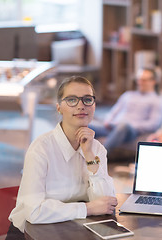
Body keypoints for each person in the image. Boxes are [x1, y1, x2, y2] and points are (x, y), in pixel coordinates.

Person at [7, 76, 117, 239]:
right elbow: (34, 212)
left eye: (87, 99)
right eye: (72, 100)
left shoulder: (96, 149)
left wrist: (89, 155)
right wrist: (88, 208)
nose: (81, 106)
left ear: (94, 106)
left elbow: (105, 204)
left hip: (71, 228)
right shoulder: (41, 148)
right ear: (59, 108)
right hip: (29, 233)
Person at [90, 67, 162, 153]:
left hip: (130, 131)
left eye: (144, 80)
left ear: (154, 81)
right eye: (139, 79)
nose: (140, 82)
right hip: (111, 127)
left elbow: (153, 124)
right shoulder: (128, 95)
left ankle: (100, 156)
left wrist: (130, 125)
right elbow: (114, 111)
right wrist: (108, 121)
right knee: (85, 124)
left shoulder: (157, 100)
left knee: (123, 126)